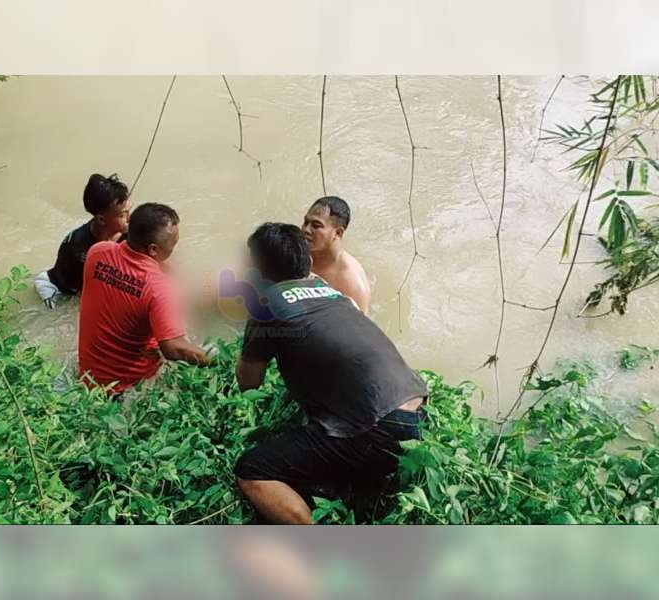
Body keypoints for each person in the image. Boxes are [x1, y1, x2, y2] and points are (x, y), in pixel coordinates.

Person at [233, 222, 428, 524]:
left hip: (377, 430)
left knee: (252, 470)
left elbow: (249, 382)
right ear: (308, 262)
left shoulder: (268, 305)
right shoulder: (332, 292)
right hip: (416, 412)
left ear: (258, 271)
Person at [78, 202, 211, 394]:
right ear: (153, 250)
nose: (174, 248)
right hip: (127, 389)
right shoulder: (161, 289)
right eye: (173, 244)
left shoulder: (97, 252)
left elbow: (129, 273)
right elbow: (173, 349)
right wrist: (218, 361)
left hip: (87, 377)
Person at [34, 173, 131, 309]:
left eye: (129, 210)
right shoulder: (77, 248)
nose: (130, 218)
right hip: (56, 288)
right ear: (102, 219)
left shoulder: (130, 233)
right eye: (122, 215)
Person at [301, 196, 371, 314]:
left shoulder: (351, 282)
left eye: (316, 226)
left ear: (338, 233)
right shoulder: (298, 253)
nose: (306, 230)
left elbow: (359, 328)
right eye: (306, 222)